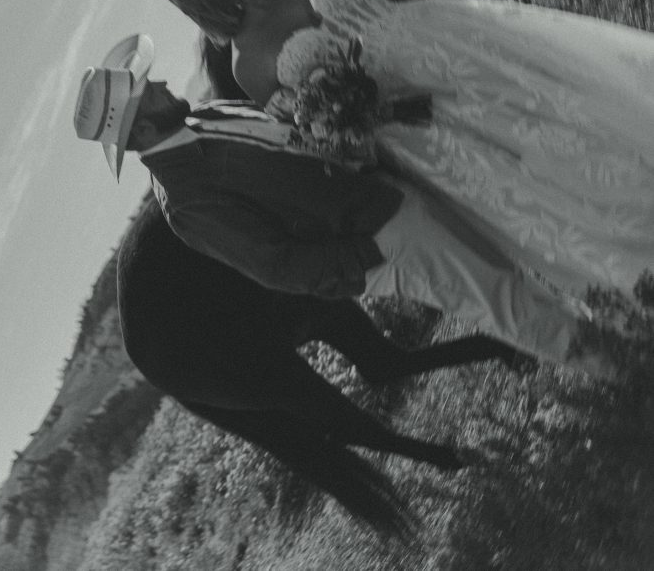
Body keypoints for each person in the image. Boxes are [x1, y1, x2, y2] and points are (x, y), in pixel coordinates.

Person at [160, 0, 654, 308]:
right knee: (520, 176)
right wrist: (354, 113)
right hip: (410, 122)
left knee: (556, 106)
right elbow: (310, 130)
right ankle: (629, 247)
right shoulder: (247, 63)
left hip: (447, 44)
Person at [74, 34, 614, 377]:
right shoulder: (188, 202)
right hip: (385, 239)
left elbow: (293, 139)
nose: (164, 82)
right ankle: (619, 369)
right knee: (500, 300)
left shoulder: (204, 116)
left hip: (391, 189)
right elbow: (277, 265)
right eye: (149, 91)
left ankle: (608, 338)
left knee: (510, 270)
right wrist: (375, 253)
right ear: (140, 128)